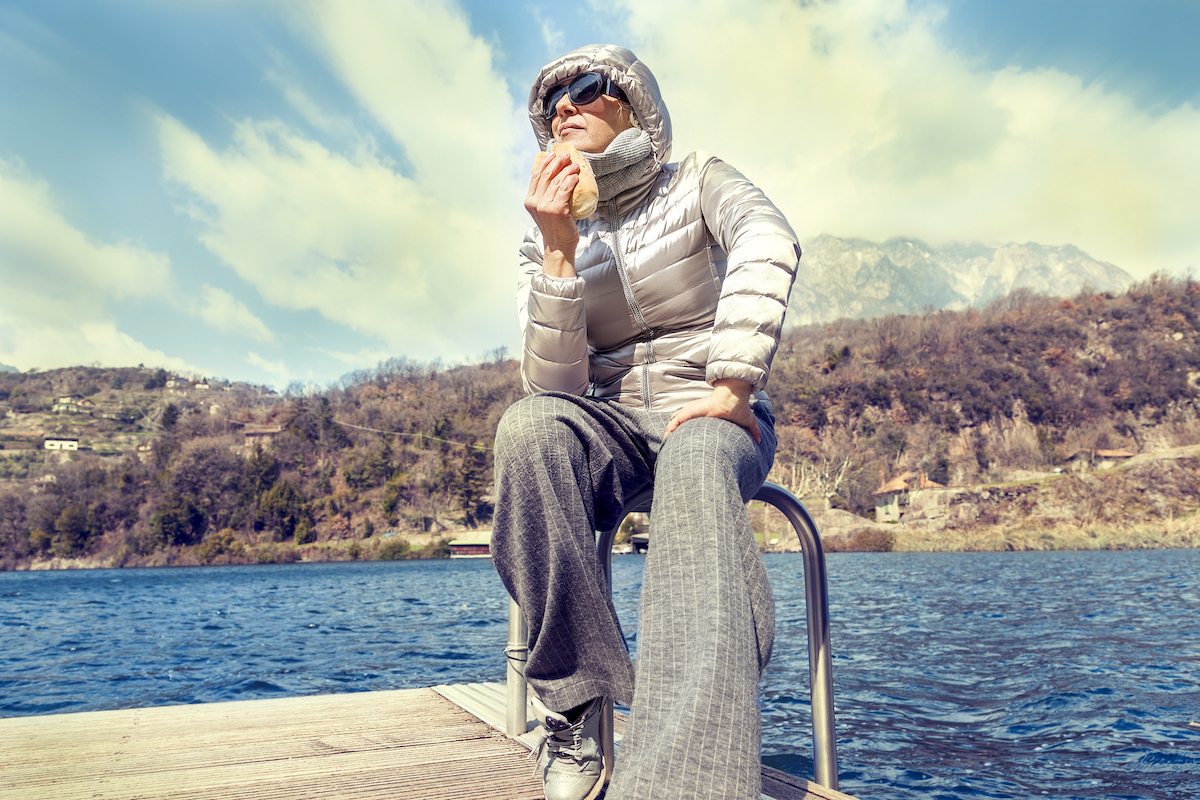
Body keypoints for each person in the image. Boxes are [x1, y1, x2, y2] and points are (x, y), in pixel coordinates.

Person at [491, 44, 800, 800]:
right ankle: (571, 713)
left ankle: (682, 782)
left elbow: (769, 239)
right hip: (616, 428)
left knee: (695, 457)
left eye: (586, 88)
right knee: (528, 432)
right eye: (551, 102)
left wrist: (731, 383)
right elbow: (555, 391)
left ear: (633, 104)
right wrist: (561, 254)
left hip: (717, 414)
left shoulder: (698, 179)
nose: (564, 105)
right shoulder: (546, 236)